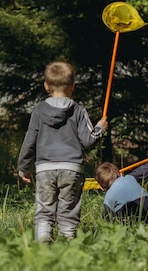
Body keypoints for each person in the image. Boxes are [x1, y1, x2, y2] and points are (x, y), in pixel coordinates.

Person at [17, 61, 108, 242]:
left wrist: (23, 166)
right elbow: (87, 140)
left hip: (45, 168)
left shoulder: (39, 111)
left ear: (46, 86)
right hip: (71, 168)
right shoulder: (78, 110)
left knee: (44, 210)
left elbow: (30, 140)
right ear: (73, 87)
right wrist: (100, 128)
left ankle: (43, 245)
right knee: (68, 212)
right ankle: (67, 246)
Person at [94, 149, 148, 229]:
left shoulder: (108, 198)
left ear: (102, 188)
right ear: (121, 174)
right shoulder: (130, 177)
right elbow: (146, 169)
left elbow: (106, 219)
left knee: (127, 227)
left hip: (127, 211)